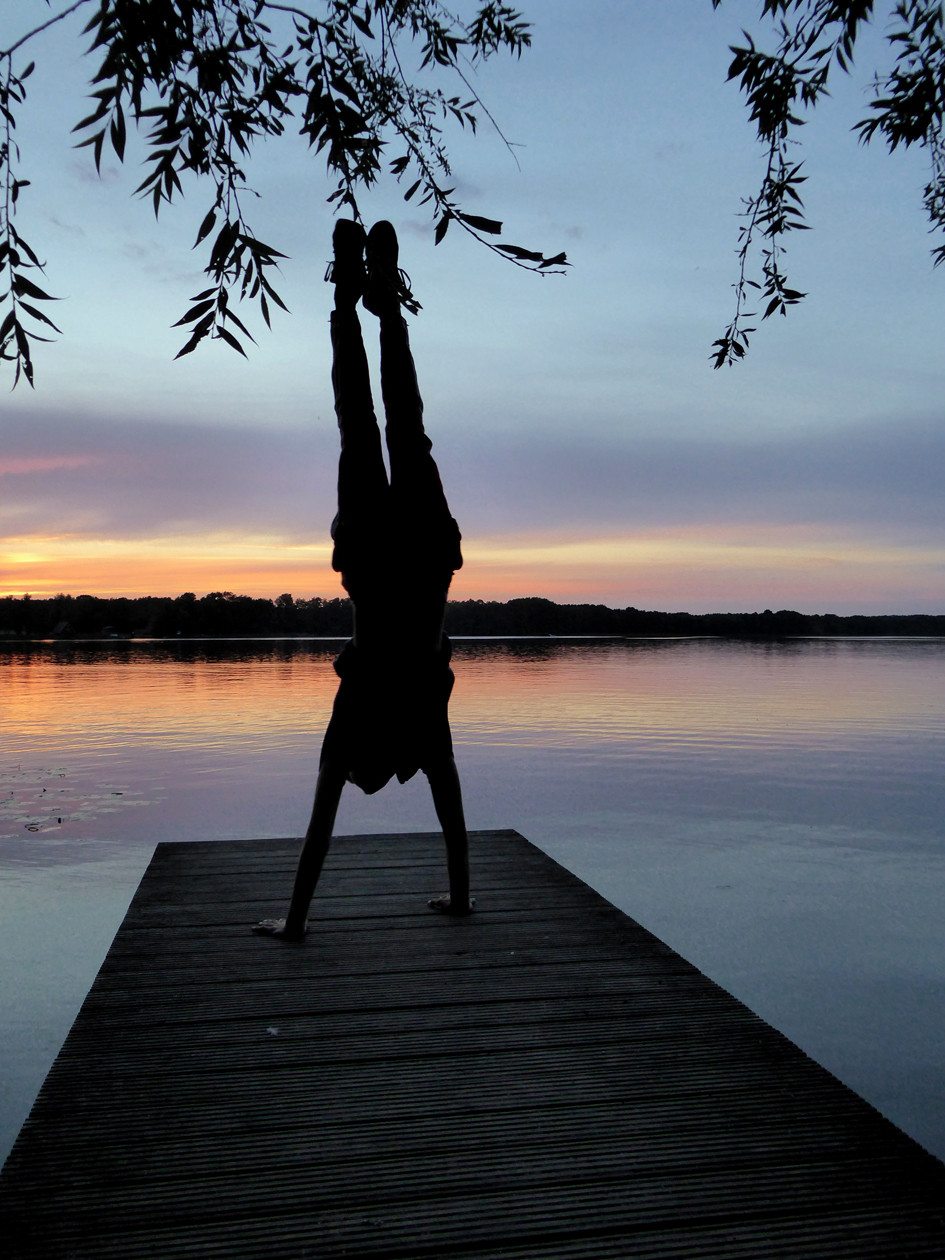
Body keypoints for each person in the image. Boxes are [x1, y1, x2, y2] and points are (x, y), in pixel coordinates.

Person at [253, 220, 473, 941]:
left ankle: (380, 306)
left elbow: (449, 814)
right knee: (362, 426)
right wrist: (290, 919)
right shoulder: (375, 721)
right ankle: (350, 300)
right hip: (378, 560)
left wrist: (294, 924)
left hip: (422, 555)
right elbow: (324, 819)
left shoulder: (421, 715)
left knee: (403, 427)